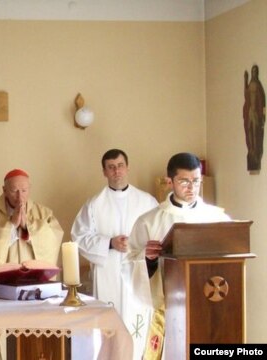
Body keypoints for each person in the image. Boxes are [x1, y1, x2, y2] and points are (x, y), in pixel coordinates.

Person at [127, 152, 231, 359]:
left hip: (210, 306)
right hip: (168, 310)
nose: (191, 187)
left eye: (196, 181)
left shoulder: (217, 218)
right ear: (170, 181)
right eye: (184, 181)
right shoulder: (149, 221)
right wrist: (147, 259)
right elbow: (130, 262)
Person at [71, 149, 158, 359]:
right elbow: (78, 237)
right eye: (111, 167)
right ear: (104, 172)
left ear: (127, 167)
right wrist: (109, 243)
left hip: (138, 274)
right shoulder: (94, 204)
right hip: (108, 273)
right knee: (109, 333)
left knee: (137, 329)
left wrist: (142, 247)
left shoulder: (147, 202)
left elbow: (159, 236)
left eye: (120, 166)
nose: (116, 171)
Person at [0, 169, 64, 360]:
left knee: (37, 338)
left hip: (33, 288)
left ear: (30, 189)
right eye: (14, 191)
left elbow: (54, 239)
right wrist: (11, 226)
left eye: (24, 190)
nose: (20, 196)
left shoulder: (43, 212)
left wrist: (28, 228)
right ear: (4, 190)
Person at [243, 64, 266, 172]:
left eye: (255, 71)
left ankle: (255, 150)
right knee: (249, 130)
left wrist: (262, 115)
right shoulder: (250, 84)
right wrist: (245, 80)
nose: (254, 73)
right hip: (250, 111)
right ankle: (251, 149)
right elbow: (246, 95)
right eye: (253, 71)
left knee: (255, 131)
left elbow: (262, 102)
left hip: (255, 113)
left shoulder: (258, 86)